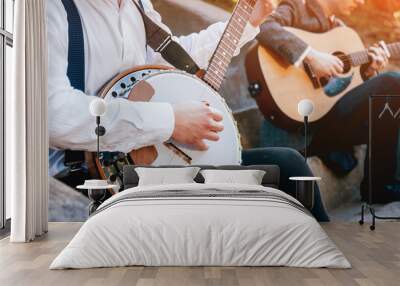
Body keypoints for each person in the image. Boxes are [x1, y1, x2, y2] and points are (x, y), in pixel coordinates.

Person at [47, 0, 329, 221]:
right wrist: (171, 121)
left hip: (159, 159)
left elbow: (176, 57)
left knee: (289, 165)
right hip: (87, 174)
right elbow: (54, 115)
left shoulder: (137, 5)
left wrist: (246, 22)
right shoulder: (51, 8)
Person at [257, 0, 400, 201]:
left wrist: (369, 71)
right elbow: (263, 27)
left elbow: (349, 89)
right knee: (394, 81)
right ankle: (380, 186)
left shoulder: (341, 31)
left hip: (332, 118)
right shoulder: (297, 8)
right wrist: (311, 56)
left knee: (390, 94)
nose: (360, 2)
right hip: (300, 119)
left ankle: (380, 185)